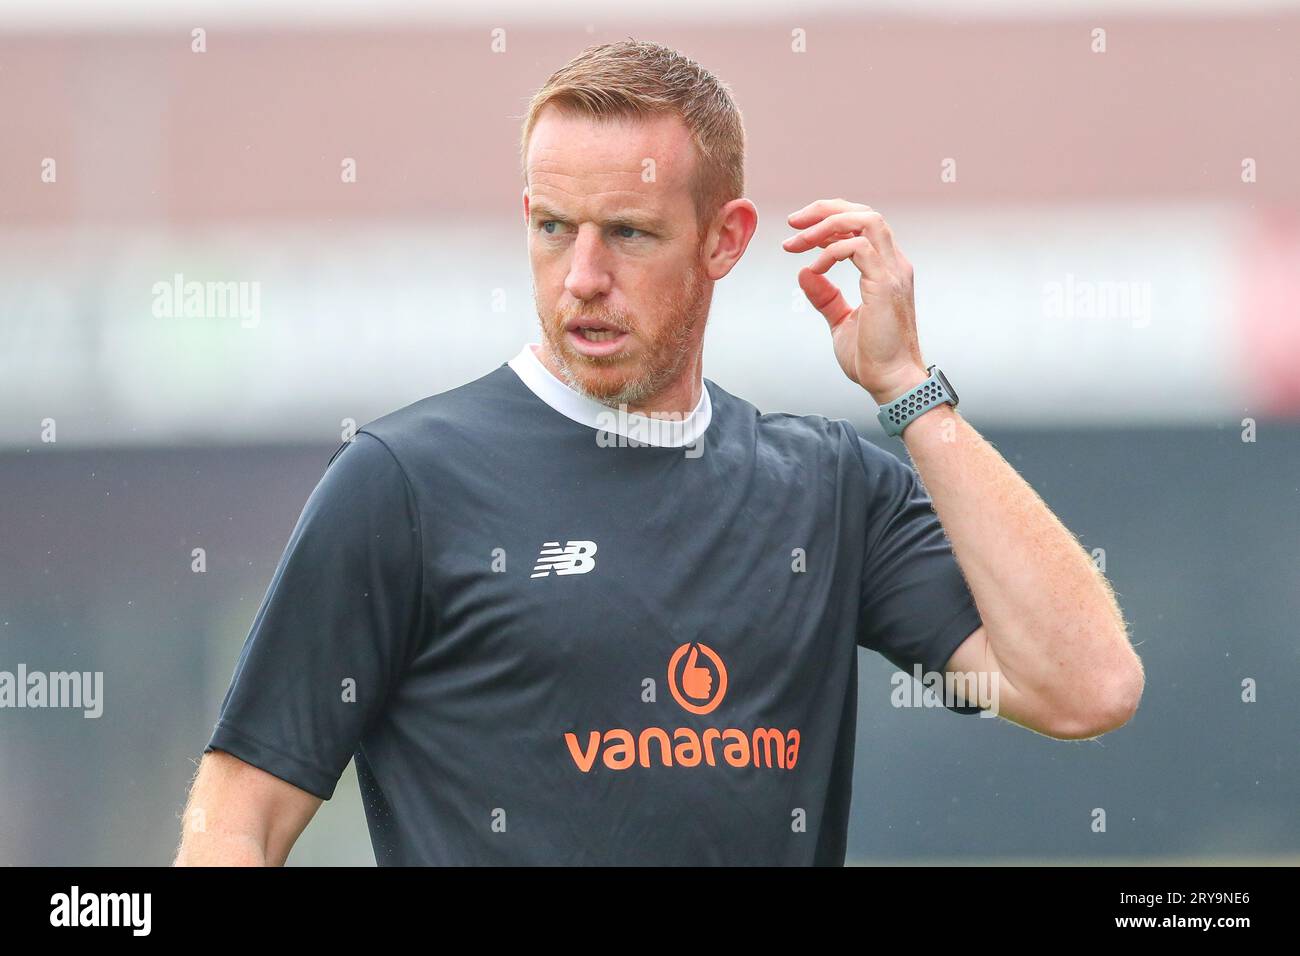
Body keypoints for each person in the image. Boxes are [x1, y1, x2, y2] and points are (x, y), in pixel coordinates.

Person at [174, 38, 1143, 866]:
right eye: (555, 228)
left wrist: (907, 391)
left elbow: (1083, 687)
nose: (583, 278)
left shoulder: (826, 488)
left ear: (725, 239)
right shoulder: (404, 481)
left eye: (629, 234)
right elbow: (240, 814)